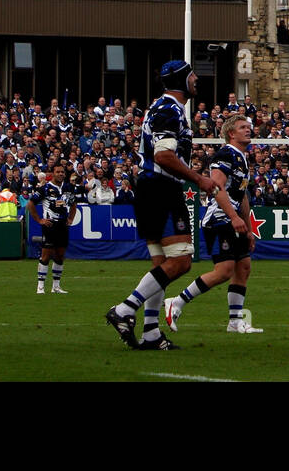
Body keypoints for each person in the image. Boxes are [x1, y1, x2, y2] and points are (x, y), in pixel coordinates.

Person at [105, 61, 215, 351]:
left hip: (151, 186)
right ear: (181, 79)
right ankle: (126, 309)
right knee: (181, 261)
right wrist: (198, 179)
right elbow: (164, 155)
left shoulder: (163, 108)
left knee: (161, 265)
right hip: (162, 187)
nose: (196, 80)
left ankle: (151, 331)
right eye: (192, 75)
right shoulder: (169, 109)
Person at [164, 115, 263, 333]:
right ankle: (177, 301)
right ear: (231, 133)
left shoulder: (243, 158)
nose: (249, 130)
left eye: (249, 126)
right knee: (224, 270)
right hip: (219, 219)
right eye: (243, 127)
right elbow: (217, 187)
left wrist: (248, 228)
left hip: (234, 219)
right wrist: (233, 217)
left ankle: (235, 321)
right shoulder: (225, 154)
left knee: (243, 267)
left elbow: (242, 195)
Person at [31, 163, 80, 294]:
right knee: (46, 255)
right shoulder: (45, 188)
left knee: (60, 255)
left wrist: (70, 219)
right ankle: (40, 286)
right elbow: (30, 204)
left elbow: (73, 204)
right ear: (52, 173)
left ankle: (56, 286)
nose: (60, 174)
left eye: (62, 172)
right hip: (50, 225)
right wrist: (40, 220)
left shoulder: (69, 187)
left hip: (63, 226)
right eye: (58, 172)